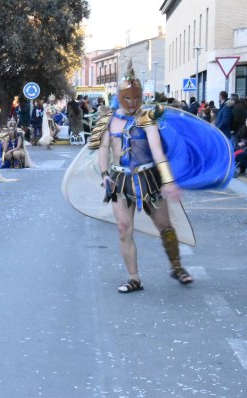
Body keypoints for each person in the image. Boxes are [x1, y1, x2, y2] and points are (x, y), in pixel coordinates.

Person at [80, 62, 233, 293]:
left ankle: (177, 266)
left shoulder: (148, 118)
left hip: (148, 178)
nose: (132, 103)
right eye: (127, 98)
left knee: (165, 226)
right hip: (119, 181)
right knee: (123, 228)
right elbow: (103, 149)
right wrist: (104, 174)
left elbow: (158, 151)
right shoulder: (108, 120)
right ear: (120, 96)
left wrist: (169, 181)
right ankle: (134, 278)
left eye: (136, 97)